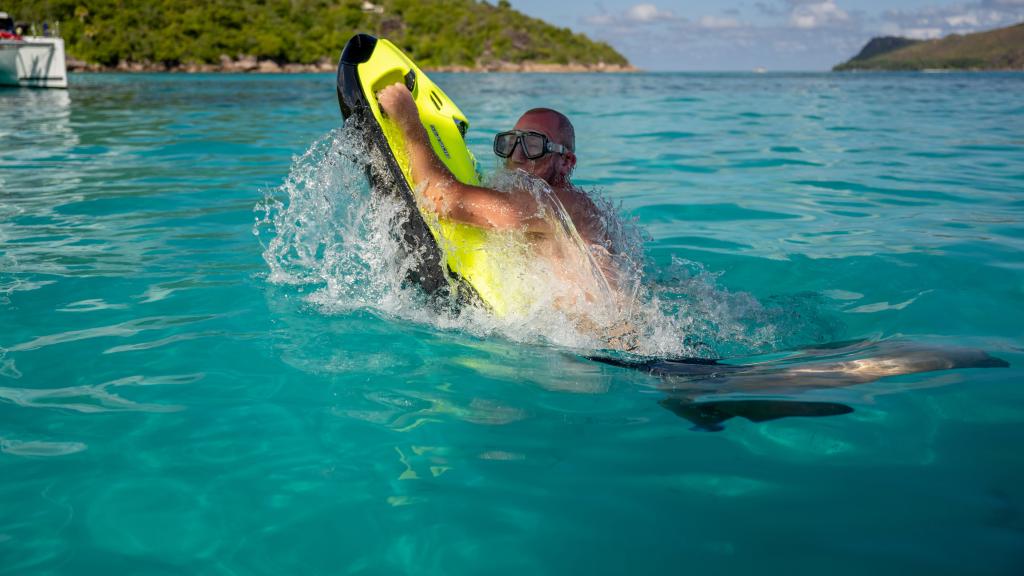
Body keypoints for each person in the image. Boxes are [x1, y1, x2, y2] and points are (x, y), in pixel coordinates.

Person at [377, 83, 635, 348]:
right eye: (511, 142)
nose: (517, 154)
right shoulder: (538, 203)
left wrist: (408, 120)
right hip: (586, 343)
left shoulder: (561, 204)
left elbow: (441, 198)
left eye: (535, 144)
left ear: (566, 161)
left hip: (614, 348)